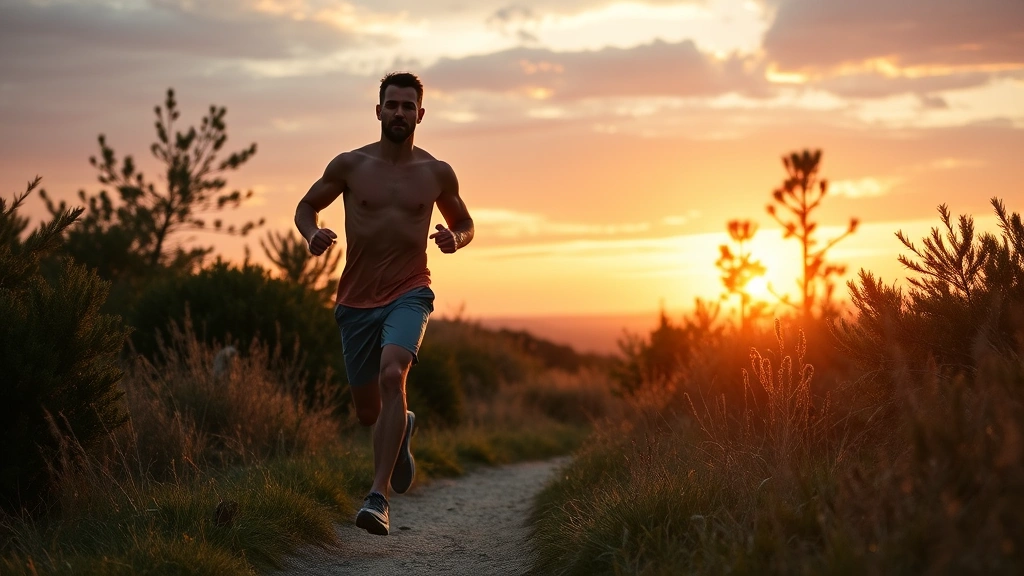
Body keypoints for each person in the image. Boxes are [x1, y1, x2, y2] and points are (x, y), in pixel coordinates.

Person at [294, 72, 474, 536]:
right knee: (369, 413)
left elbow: (466, 222)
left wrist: (456, 237)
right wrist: (312, 233)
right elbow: (305, 206)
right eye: (391, 105)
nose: (399, 113)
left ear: (421, 114)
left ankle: (378, 498)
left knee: (393, 372)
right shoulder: (351, 166)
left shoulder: (436, 173)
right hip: (356, 300)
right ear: (378, 111)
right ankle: (403, 426)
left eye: (407, 106)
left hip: (410, 290)